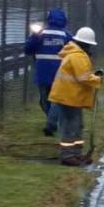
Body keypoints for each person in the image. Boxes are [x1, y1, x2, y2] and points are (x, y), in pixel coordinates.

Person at [49, 27, 103, 166]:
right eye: (89, 44)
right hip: (69, 97)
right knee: (70, 126)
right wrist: (97, 79)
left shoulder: (75, 53)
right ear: (85, 43)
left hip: (71, 96)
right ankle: (68, 156)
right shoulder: (77, 56)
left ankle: (76, 153)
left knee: (77, 125)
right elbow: (83, 77)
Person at [24, 8, 72, 136]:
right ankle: (55, 122)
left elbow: (28, 50)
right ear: (64, 20)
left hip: (43, 74)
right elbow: (74, 51)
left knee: (45, 101)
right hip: (61, 75)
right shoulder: (66, 35)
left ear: (48, 19)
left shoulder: (40, 33)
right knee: (57, 100)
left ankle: (52, 123)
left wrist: (34, 36)